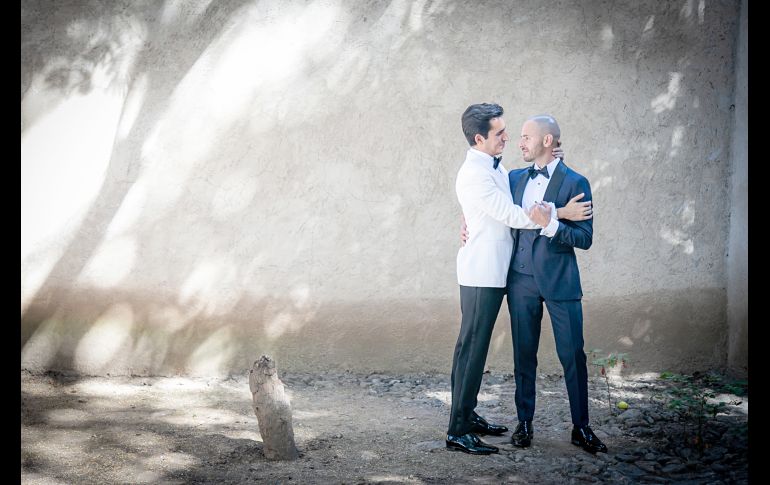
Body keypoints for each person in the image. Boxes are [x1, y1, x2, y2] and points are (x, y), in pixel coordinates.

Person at [447, 104, 592, 455]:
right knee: (472, 348)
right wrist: (560, 212)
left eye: (515, 133)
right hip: (484, 270)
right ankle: (457, 429)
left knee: (474, 349)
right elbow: (509, 213)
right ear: (479, 138)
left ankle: (468, 414)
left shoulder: (501, 170)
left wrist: (549, 152)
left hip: (503, 272)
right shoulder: (477, 174)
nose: (509, 139)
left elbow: (501, 203)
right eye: (501, 133)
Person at [505, 114, 607, 454]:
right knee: (523, 353)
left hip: (561, 281)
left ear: (547, 141)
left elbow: (585, 238)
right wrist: (465, 221)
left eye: (526, 137)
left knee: (572, 355)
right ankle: (524, 422)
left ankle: (581, 427)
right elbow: (488, 205)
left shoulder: (576, 182)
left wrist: (551, 225)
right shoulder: (514, 178)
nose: (520, 143)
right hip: (520, 280)